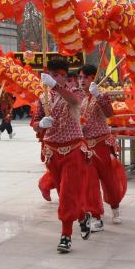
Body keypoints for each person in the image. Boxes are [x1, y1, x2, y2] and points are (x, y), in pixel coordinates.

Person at [33, 58, 94, 254]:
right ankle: (82, 216)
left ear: (64, 76)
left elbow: (75, 102)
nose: (55, 78)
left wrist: (56, 86)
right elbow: (34, 122)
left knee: (67, 193)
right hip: (52, 151)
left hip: (73, 149)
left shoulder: (74, 91)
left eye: (58, 75)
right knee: (63, 193)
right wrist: (40, 124)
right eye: (52, 75)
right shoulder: (43, 97)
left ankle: (66, 235)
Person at [78, 63, 127, 228]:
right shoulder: (80, 98)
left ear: (93, 78)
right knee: (90, 182)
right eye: (80, 77)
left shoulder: (102, 94)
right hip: (87, 146)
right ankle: (96, 216)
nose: (81, 81)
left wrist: (98, 96)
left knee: (109, 180)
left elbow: (109, 113)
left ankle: (115, 208)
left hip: (102, 144)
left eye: (85, 77)